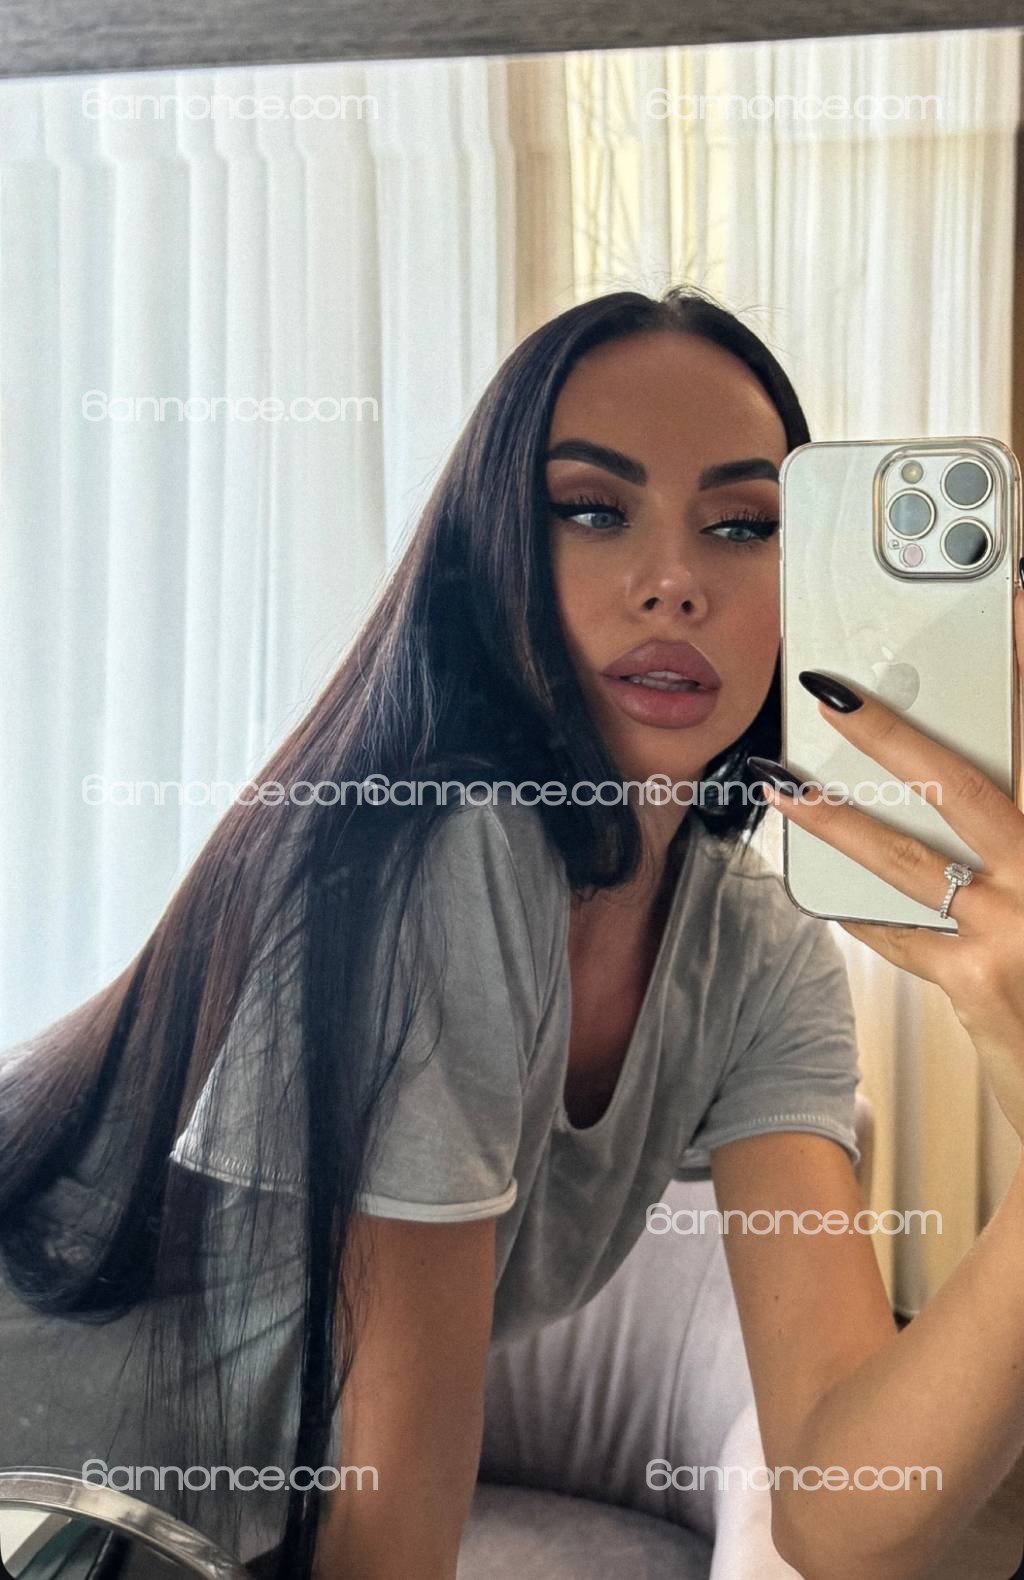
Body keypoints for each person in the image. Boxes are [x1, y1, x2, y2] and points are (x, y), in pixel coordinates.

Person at [2, 286, 1023, 1580]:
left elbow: (841, 1511)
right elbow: (389, 1542)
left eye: (743, 527)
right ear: (493, 555)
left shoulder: (762, 955)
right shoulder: (451, 849)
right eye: (592, 509)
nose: (673, 585)